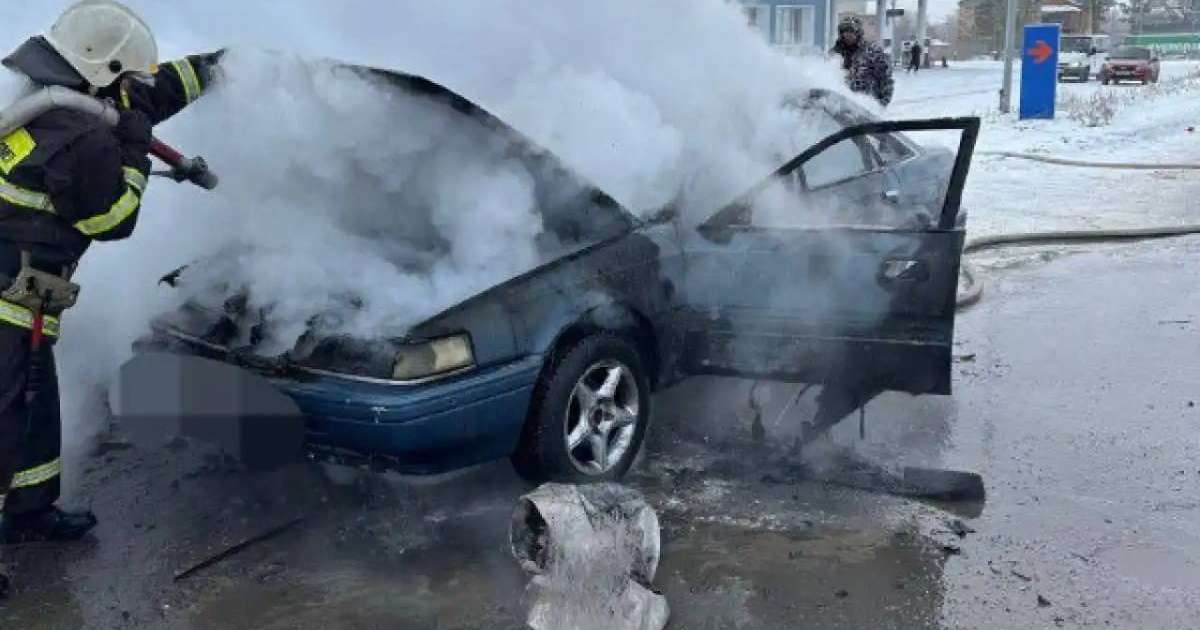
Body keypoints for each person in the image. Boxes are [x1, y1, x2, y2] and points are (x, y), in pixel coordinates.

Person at [0, 0, 222, 583]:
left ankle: (28, 510)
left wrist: (228, 66)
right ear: (104, 71)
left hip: (26, 298)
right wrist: (135, 151)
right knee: (4, 417)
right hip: (7, 304)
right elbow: (114, 219)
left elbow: (146, 91)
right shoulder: (79, 134)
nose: (136, 87)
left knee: (34, 407)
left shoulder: (43, 85)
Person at [830, 17, 894, 106]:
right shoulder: (834, 53)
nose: (848, 34)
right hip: (840, 104)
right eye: (845, 31)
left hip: (867, 104)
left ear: (858, 33)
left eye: (851, 31)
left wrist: (883, 102)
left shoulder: (872, 51)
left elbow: (885, 77)